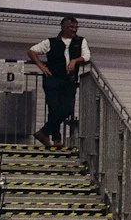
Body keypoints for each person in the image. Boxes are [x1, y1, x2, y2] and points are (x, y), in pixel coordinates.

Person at [29, 16, 90, 150]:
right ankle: (56, 139)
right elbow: (32, 51)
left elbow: (87, 56)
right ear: (63, 27)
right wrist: (41, 66)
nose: (74, 30)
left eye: (76, 27)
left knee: (67, 108)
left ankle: (44, 132)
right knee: (53, 108)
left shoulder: (80, 41)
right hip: (52, 78)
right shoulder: (50, 42)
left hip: (69, 80)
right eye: (71, 27)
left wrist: (75, 61)